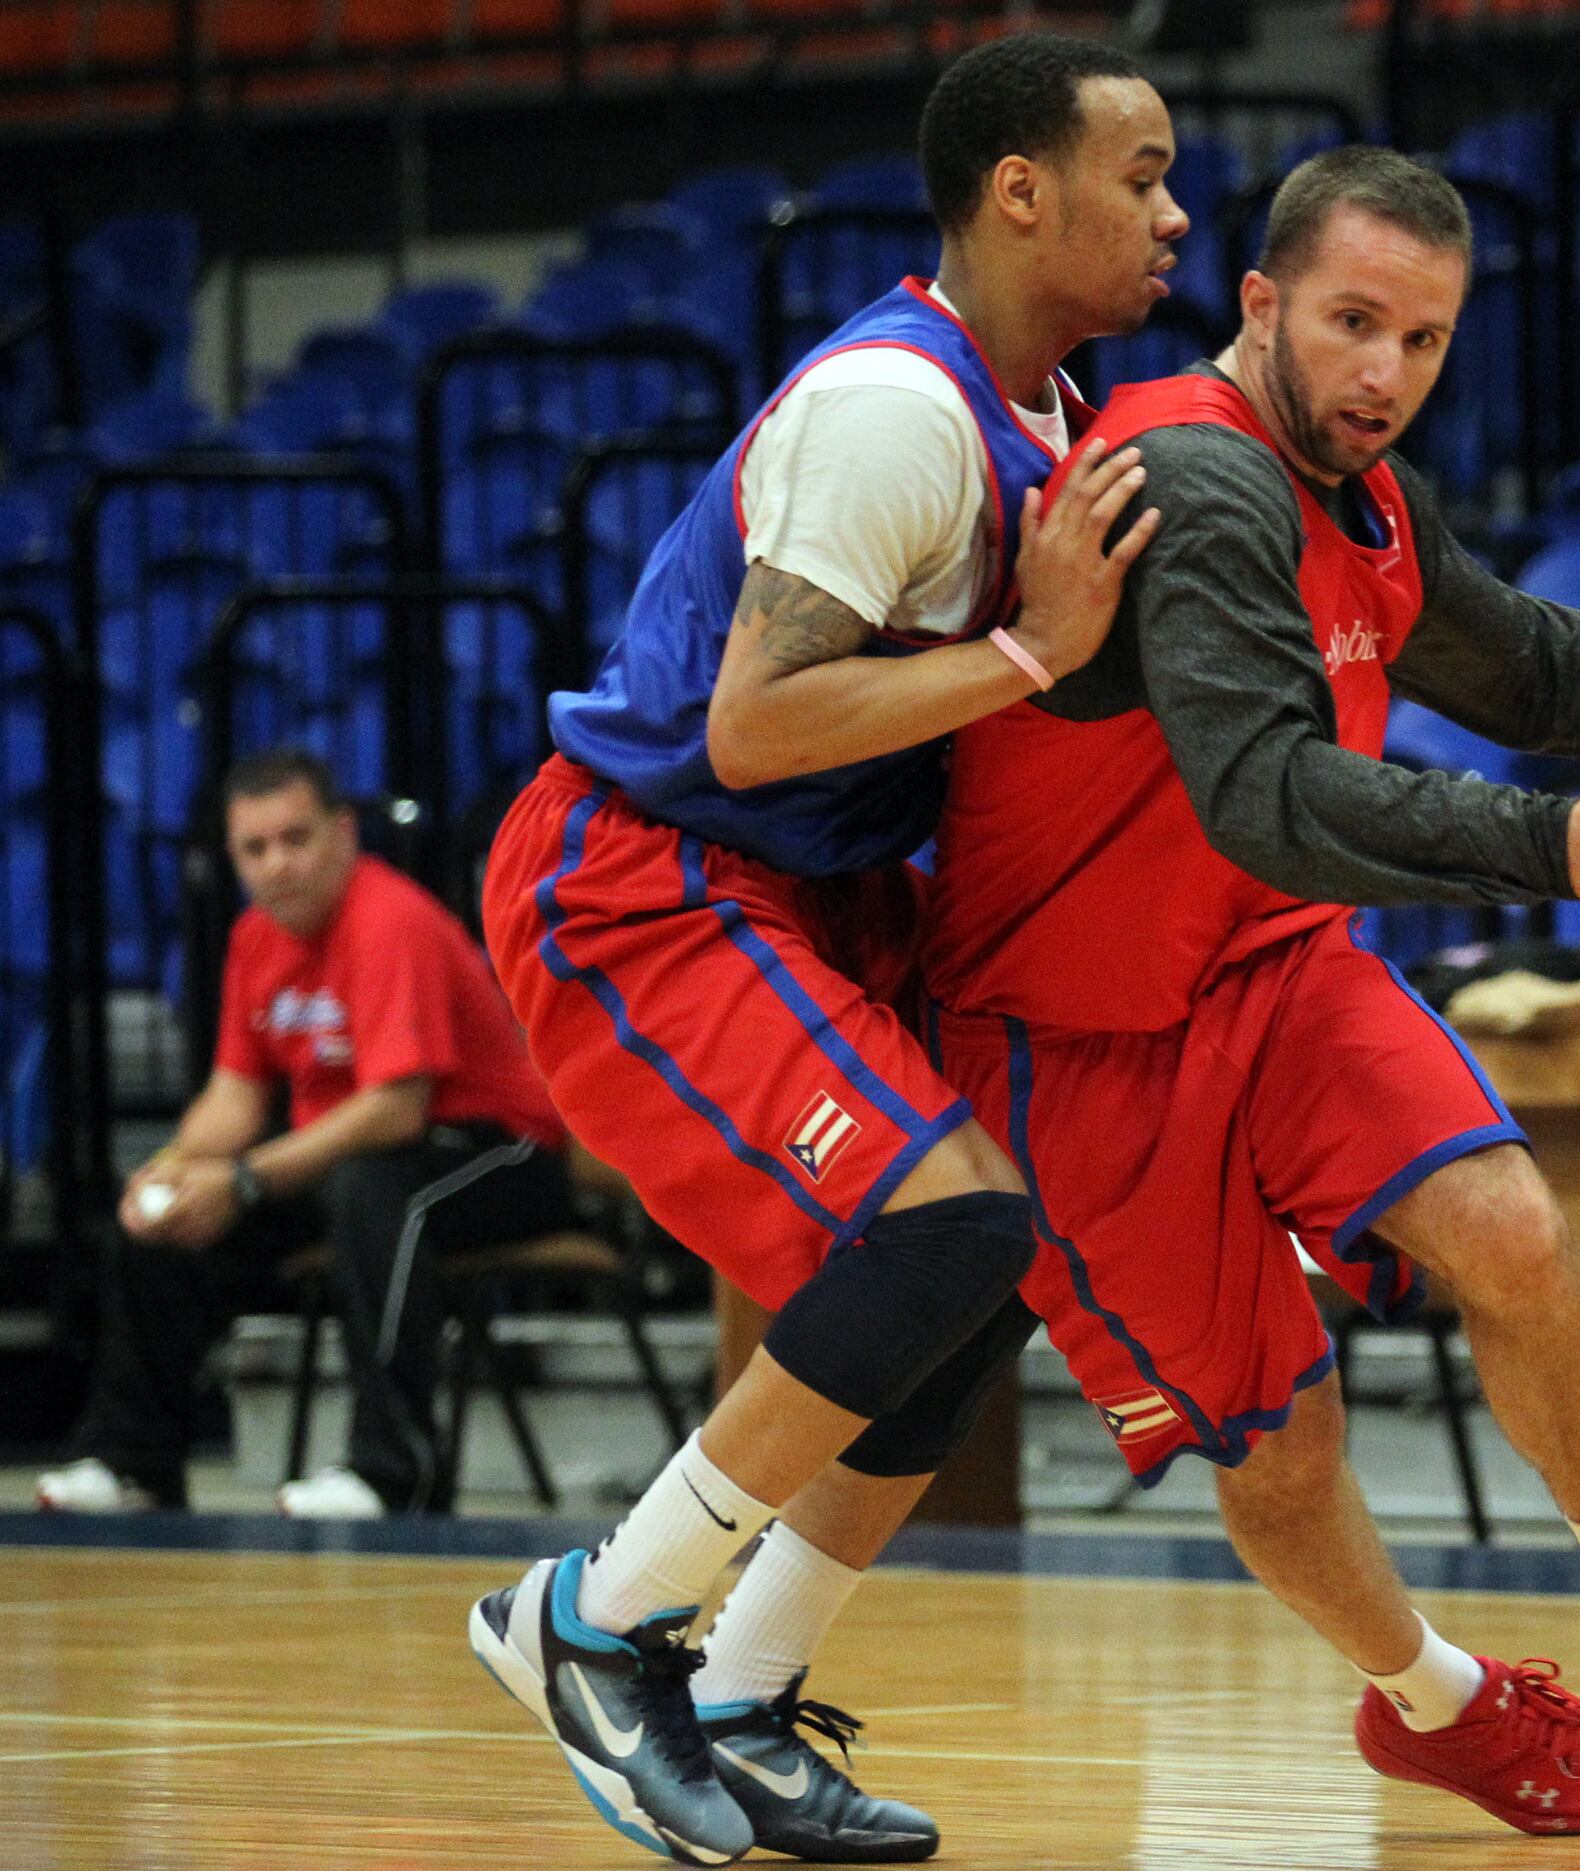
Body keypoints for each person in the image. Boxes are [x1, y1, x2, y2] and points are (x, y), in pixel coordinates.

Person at [920, 147, 1580, 1836]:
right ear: (1262, 303)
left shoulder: (1366, 488)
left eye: (1423, 341)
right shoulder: (1195, 488)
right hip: (1079, 1037)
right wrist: (1548, 845)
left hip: (1269, 968)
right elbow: (1265, 792)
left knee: (1512, 1224)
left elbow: (1535, 666)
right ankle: (1440, 1704)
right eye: (1353, 324)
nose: (1385, 376)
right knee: (1282, 1450)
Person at [464, 34, 1183, 1867]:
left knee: (979, 1264)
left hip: (817, 886)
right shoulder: (898, 409)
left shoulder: (1048, 418)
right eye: (1144, 174)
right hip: (655, 872)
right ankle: (595, 1621)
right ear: (1020, 190)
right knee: (945, 1223)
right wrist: (1030, 655)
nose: (1174, 214)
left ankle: (740, 1692)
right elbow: (759, 724)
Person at [36, 749, 578, 1520]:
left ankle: (392, 1472)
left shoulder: (389, 920)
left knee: (377, 1193)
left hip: (501, 1150)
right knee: (164, 1224)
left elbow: (396, 1107)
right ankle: (135, 1462)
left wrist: (247, 1180)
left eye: (295, 838)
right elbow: (233, 1097)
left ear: (344, 834)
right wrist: (172, 1170)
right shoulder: (255, 938)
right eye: (255, 848)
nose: (277, 864)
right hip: (358, 1156)